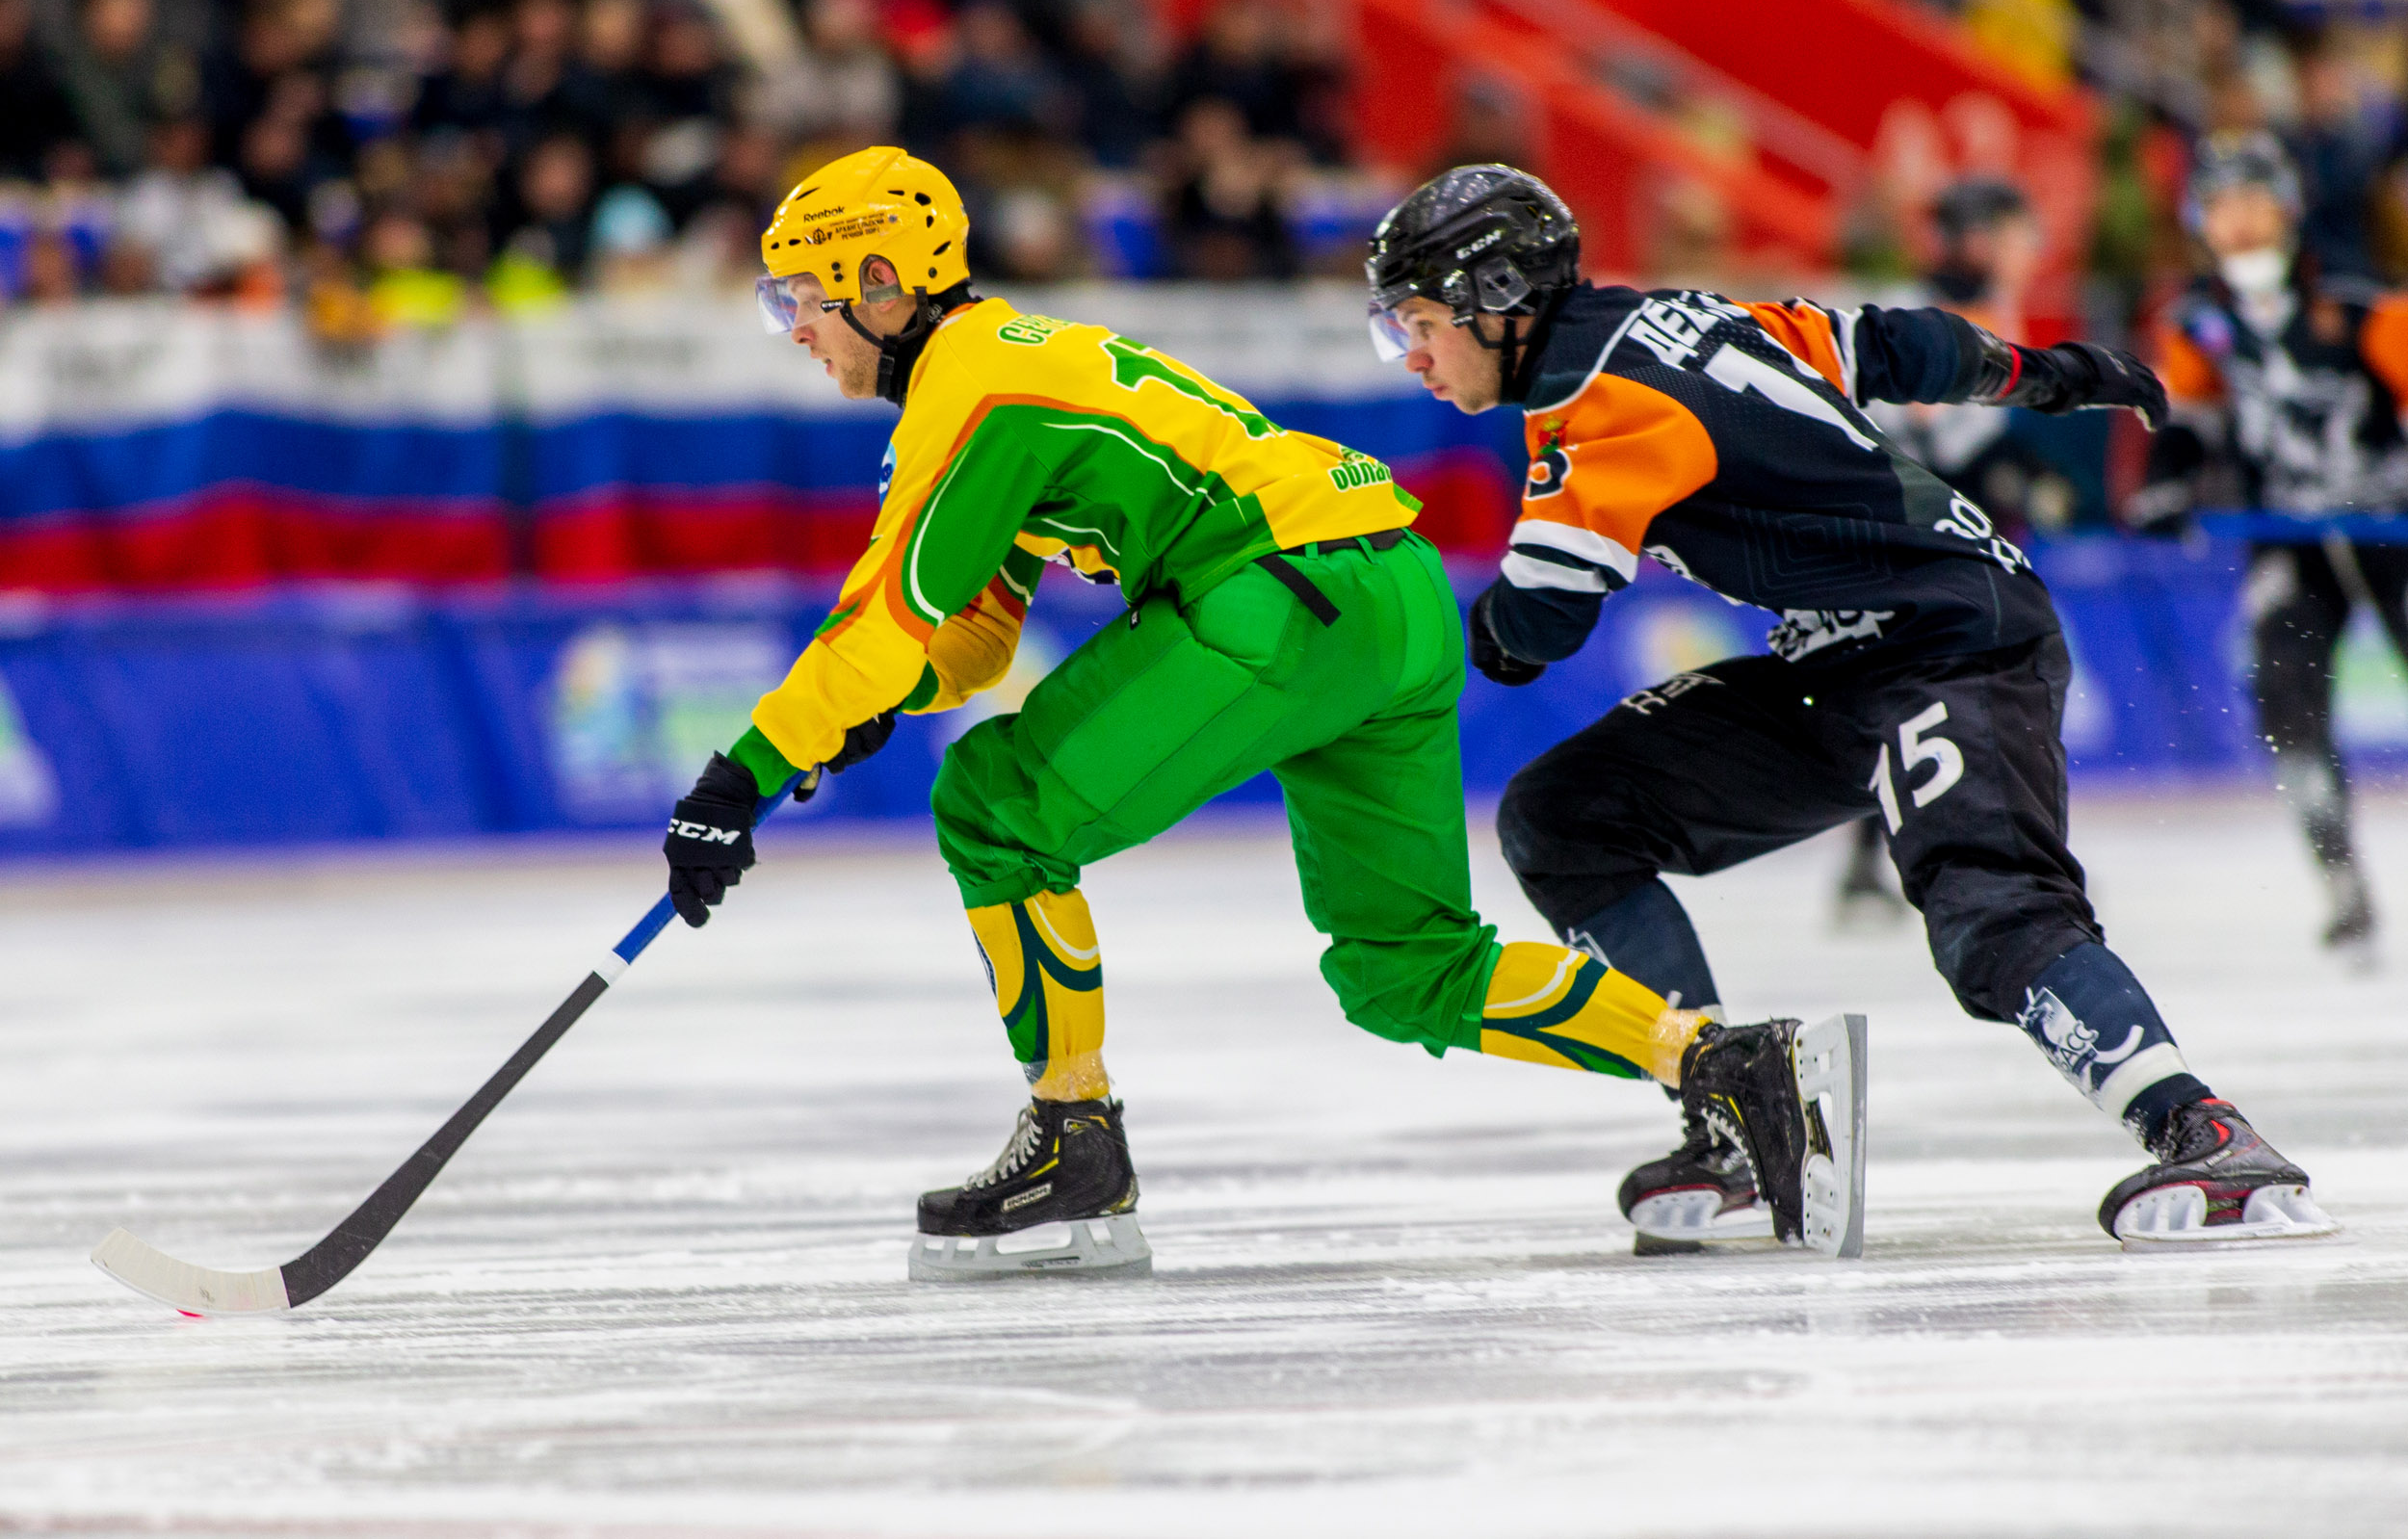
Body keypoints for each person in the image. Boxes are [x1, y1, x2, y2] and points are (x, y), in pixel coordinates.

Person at [657, 145, 1864, 1280]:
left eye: (799, 298)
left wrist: (740, 777)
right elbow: (965, 637)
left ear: (881, 280)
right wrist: (878, 706)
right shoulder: (1008, 364)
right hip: (1385, 587)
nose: (798, 330)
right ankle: (1728, 1064)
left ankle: (1075, 1140)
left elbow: (881, 619)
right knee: (1405, 968)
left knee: (992, 804)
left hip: (1274, 594)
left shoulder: (969, 388)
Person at [1368, 163, 2338, 1253]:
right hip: (1846, 661)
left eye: (1415, 323)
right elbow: (1894, 345)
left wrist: (1373, 625)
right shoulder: (1687, 316)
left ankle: (2207, 1135)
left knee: (1990, 912)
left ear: (1498, 300)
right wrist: (2051, 375)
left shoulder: (1595, 408)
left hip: (1952, 642)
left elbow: (1530, 629)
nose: (1409, 355)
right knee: (1563, 816)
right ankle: (1735, 1112)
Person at [2134, 132, 2408, 966]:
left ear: (2287, 209)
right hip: (2288, 538)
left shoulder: (2361, 302)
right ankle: (2341, 881)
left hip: (2388, 529)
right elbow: (2189, 421)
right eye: (2222, 206)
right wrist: (2167, 486)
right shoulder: (2199, 322)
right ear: (2198, 221)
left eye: (2255, 201)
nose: (2241, 223)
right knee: (2285, 696)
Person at [1843, 175, 2066, 926]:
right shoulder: (1923, 309)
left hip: (1927, 510)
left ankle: (1883, 860)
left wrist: (2018, 474)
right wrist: (2012, 477)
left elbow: (1978, 433)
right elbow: (1935, 437)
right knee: (1913, 681)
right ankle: (1877, 858)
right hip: (1903, 516)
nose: (2016, 248)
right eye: (2003, 232)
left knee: (1932, 682)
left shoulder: (1976, 304)